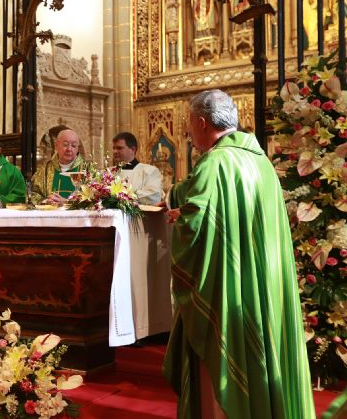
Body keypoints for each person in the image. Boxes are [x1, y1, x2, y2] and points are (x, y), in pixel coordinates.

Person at [163, 89, 315, 418]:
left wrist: (181, 220)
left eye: (190, 126)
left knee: (225, 358)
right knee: (263, 351)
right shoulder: (259, 161)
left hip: (228, 289)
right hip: (264, 280)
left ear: (202, 123)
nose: (189, 135)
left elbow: (195, 230)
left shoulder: (215, 163)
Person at [31, 128, 85, 206]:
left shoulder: (87, 170)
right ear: (56, 146)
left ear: (77, 149)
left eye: (73, 146)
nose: (69, 149)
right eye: (65, 145)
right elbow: (34, 193)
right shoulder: (45, 170)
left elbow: (94, 199)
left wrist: (67, 202)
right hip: (50, 216)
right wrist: (46, 201)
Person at [112, 132, 163, 205]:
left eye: (119, 148)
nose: (115, 151)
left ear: (133, 149)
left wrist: (121, 195)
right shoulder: (108, 172)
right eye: (114, 148)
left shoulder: (149, 171)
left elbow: (153, 197)